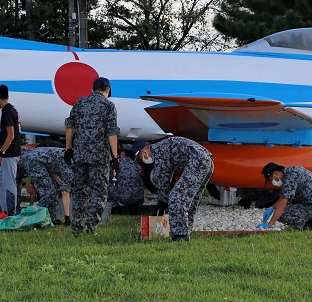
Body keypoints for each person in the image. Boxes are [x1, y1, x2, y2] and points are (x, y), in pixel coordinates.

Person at [65, 77, 120, 236]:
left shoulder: (80, 103)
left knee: (80, 191)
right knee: (99, 192)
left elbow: (69, 126)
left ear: (92, 88)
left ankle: (76, 228)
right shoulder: (109, 106)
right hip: (100, 157)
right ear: (107, 90)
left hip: (80, 155)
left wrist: (68, 148)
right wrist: (115, 156)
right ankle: (91, 228)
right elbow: (111, 132)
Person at [131, 137, 213, 242]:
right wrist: (163, 200)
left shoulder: (158, 152)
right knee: (191, 199)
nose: (143, 159)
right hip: (207, 160)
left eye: (141, 157)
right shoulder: (162, 147)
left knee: (176, 197)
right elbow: (168, 175)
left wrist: (162, 201)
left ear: (144, 152)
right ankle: (186, 230)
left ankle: (180, 236)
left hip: (198, 161)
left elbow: (163, 179)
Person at [258, 163, 312, 231]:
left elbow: (282, 205)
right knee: (288, 206)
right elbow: (285, 196)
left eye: (271, 180)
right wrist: (272, 207)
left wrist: (269, 224)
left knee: (283, 214)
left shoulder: (289, 178)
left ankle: (311, 225)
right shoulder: (292, 171)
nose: (272, 182)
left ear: (275, 174)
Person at [0, 84, 22, 219]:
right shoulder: (12, 109)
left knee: (10, 184)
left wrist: (1, 152)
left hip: (10, 154)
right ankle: (5, 210)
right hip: (6, 154)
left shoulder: (7, 111)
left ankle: (11, 214)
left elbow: (11, 135)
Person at [111, 145, 145, 214]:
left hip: (123, 197)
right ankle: (133, 210)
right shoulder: (137, 166)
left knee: (109, 185)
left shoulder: (117, 164)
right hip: (138, 198)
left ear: (123, 153)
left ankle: (114, 209)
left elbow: (110, 177)